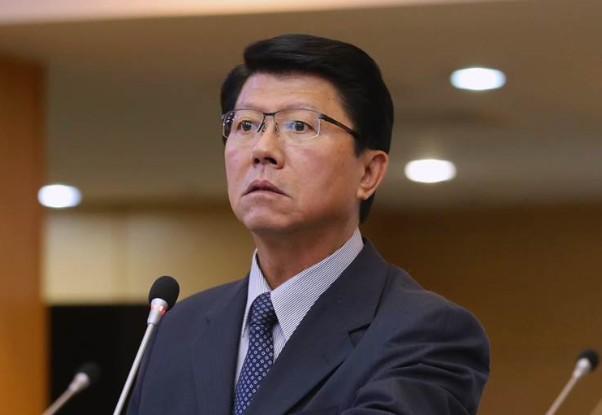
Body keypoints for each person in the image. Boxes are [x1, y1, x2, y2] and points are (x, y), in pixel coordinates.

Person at [127, 33, 490, 415]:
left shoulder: (426, 334)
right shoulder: (174, 331)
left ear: (368, 172)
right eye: (246, 125)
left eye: (299, 125)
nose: (263, 150)